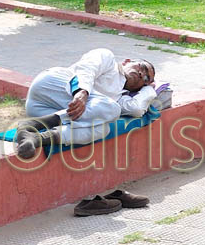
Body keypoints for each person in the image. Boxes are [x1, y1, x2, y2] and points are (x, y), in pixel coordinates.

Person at [13, 49, 162, 215]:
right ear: (127, 61)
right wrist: (82, 92)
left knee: (103, 128)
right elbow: (86, 69)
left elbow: (136, 109)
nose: (142, 74)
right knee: (112, 109)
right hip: (54, 83)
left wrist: (149, 90)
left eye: (146, 78)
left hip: (44, 110)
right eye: (142, 67)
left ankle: (38, 136)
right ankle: (37, 124)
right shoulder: (108, 60)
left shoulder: (121, 97)